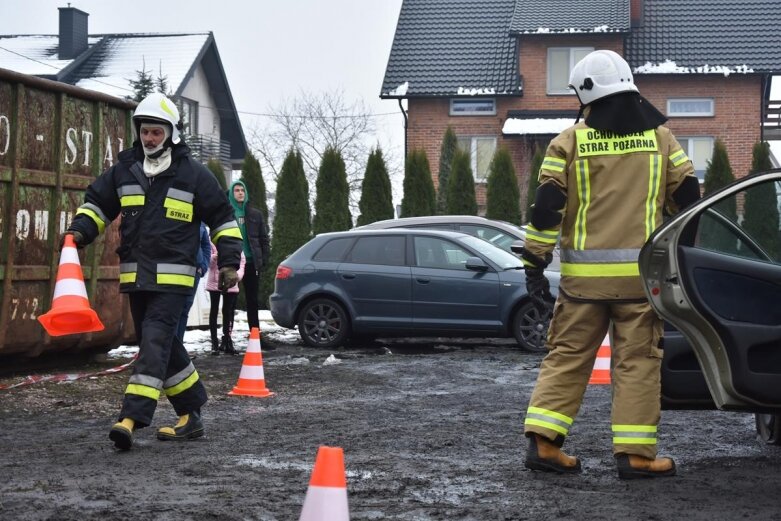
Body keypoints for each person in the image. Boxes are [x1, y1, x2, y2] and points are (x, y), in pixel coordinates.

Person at [519, 50, 701, 479]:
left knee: (566, 357)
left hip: (582, 285)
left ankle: (544, 445)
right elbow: (690, 199)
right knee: (637, 362)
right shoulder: (662, 140)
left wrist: (534, 264)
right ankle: (636, 457)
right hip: (641, 282)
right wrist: (682, 257)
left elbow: (547, 209)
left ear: (586, 92)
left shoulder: (567, 141)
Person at [63, 92, 243, 451]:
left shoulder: (194, 175)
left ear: (171, 134)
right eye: (145, 132)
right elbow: (98, 204)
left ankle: (130, 418)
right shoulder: (124, 170)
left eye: (156, 133)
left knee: (154, 343)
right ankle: (191, 415)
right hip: (136, 278)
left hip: (175, 281)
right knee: (164, 345)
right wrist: (78, 232)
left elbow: (223, 220)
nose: (149, 139)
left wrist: (228, 263)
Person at [227, 180, 270, 332]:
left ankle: (255, 335)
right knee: (230, 301)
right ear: (231, 194)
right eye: (237, 190)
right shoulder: (226, 213)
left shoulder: (255, 214)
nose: (240, 193)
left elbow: (264, 238)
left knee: (253, 301)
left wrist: (263, 259)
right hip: (233, 262)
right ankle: (227, 337)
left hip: (251, 263)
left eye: (242, 190)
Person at [205, 241, 246, 355]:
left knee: (228, 311)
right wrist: (214, 258)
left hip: (231, 281)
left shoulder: (235, 243)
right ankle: (214, 343)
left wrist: (237, 276)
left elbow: (242, 261)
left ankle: (227, 340)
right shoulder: (211, 242)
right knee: (214, 310)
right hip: (214, 282)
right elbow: (206, 260)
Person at [176, 222, 211, 344]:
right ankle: (170, 349)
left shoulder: (200, 222)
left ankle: (178, 348)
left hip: (194, 272)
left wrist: (203, 266)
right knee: (174, 310)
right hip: (174, 271)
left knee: (185, 309)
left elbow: (206, 245)